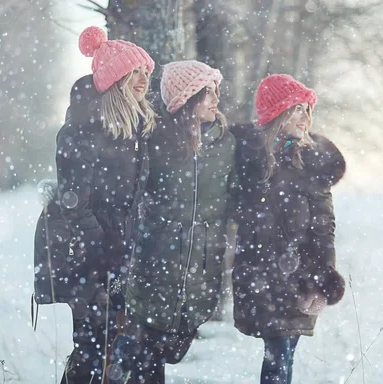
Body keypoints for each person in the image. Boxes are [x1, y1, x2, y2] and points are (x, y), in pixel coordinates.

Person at [33, 26, 156, 383]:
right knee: (92, 346)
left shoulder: (138, 127)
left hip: (125, 251)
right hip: (89, 253)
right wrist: (103, 245)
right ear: (115, 79)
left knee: (121, 345)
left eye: (145, 73)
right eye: (134, 72)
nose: (142, 80)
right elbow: (74, 202)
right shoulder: (83, 129)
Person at [109, 60, 238, 383]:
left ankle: (124, 356)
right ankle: (119, 362)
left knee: (171, 348)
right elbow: (130, 196)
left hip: (201, 273)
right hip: (155, 266)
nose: (215, 100)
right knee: (147, 357)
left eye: (216, 92)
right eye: (207, 93)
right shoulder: (155, 140)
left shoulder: (227, 143)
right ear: (187, 98)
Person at [230, 74, 346, 384]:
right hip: (259, 274)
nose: (305, 117)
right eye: (297, 109)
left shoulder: (312, 161)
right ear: (277, 112)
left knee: (283, 354)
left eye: (308, 110)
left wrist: (323, 277)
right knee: (279, 353)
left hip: (300, 279)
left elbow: (324, 227)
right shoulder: (247, 158)